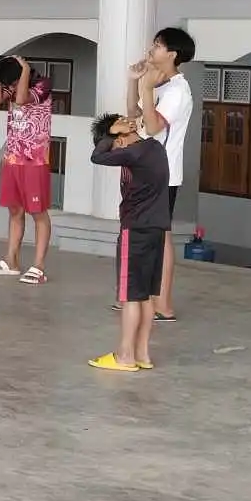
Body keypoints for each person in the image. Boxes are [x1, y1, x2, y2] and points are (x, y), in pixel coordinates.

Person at [87, 110, 169, 372]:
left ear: (120, 140)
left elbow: (97, 157)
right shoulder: (155, 148)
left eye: (115, 144)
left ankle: (124, 355)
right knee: (145, 296)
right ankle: (142, 354)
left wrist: (110, 134)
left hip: (135, 230)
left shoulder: (133, 153)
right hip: (157, 230)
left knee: (130, 296)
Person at [124, 26, 196, 322]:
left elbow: (153, 127)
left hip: (163, 173)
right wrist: (135, 82)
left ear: (172, 54)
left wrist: (146, 87)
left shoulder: (178, 90)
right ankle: (145, 298)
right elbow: (134, 115)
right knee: (149, 235)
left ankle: (163, 304)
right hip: (147, 169)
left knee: (160, 236)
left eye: (157, 45)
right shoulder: (160, 85)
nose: (151, 50)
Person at [0, 56, 54, 284]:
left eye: (13, 82)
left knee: (38, 212)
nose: (11, 87)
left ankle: (39, 266)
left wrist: (23, 69)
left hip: (35, 160)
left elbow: (23, 99)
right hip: (13, 158)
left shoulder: (43, 85)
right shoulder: (12, 86)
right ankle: (11, 261)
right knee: (15, 210)